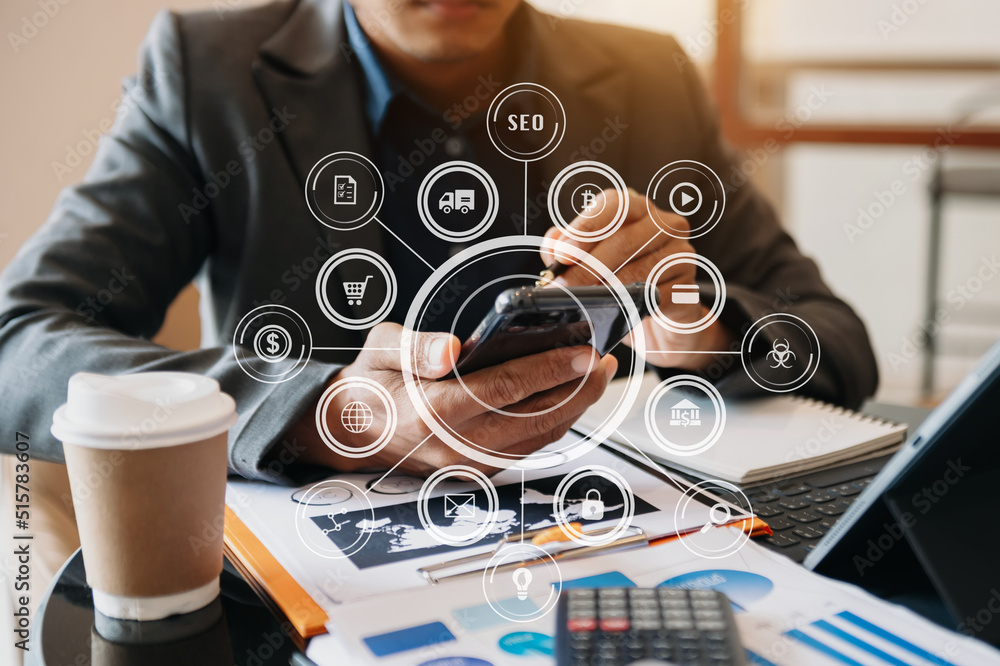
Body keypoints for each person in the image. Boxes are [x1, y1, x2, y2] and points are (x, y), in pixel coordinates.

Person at [0, 0, 878, 485]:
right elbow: (19, 344)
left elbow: (834, 339)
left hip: (608, 544)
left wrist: (699, 326)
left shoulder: (650, 75)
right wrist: (323, 415)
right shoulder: (205, 71)